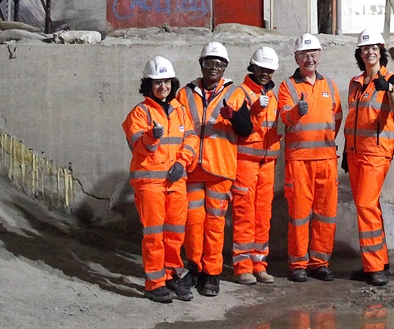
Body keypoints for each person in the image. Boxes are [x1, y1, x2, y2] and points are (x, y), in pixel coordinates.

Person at [177, 41, 253, 297]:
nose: (214, 68)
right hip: (192, 169)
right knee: (193, 222)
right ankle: (194, 269)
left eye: (219, 64)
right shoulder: (184, 93)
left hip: (220, 169)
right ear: (201, 65)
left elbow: (246, 130)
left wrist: (234, 116)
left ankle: (212, 274)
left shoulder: (236, 93)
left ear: (225, 67)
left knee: (215, 223)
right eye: (209, 63)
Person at [121, 56, 199, 304]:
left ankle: (171, 275)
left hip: (176, 181)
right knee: (154, 235)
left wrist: (181, 163)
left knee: (175, 233)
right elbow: (137, 145)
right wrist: (151, 137)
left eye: (166, 82)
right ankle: (154, 283)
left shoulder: (180, 111)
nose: (162, 87)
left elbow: (191, 140)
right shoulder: (139, 112)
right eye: (157, 82)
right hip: (150, 184)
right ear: (148, 85)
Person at [277, 33, 344, 281]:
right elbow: (284, 117)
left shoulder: (330, 86)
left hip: (326, 160)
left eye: (313, 53)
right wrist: (297, 111)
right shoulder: (288, 86)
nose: (309, 58)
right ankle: (298, 264)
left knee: (326, 214)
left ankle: (320, 262)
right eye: (304, 54)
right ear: (296, 58)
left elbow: (337, 119)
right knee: (299, 214)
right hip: (299, 161)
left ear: (320, 55)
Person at [344, 28, 394, 285]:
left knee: (366, 206)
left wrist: (389, 89)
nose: (370, 52)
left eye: (374, 48)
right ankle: (379, 260)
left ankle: (374, 268)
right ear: (360, 53)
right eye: (365, 48)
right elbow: (353, 119)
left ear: (381, 51)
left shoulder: (392, 77)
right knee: (368, 207)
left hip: (376, 154)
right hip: (356, 153)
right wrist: (347, 150)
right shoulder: (355, 83)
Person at [232, 46, 282, 284]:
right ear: (252, 67)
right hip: (245, 162)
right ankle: (243, 266)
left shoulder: (274, 96)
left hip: (267, 163)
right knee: (244, 214)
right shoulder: (240, 93)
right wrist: (255, 111)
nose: (265, 73)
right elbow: (239, 128)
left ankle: (259, 264)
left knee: (263, 215)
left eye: (270, 70)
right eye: (262, 68)